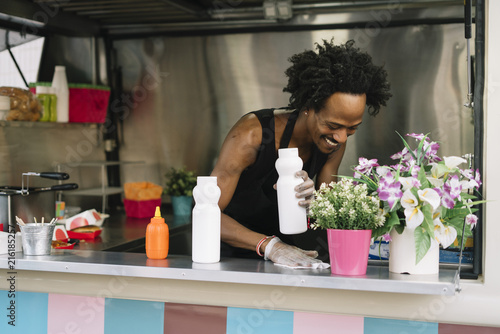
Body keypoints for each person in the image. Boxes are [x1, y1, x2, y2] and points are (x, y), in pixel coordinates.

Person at [210, 39, 392, 268]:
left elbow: (329, 215)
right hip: (227, 255)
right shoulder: (252, 134)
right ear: (308, 107)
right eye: (334, 125)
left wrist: (314, 202)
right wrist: (270, 245)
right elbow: (205, 213)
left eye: (352, 128)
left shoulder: (335, 140)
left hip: (284, 255)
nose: (342, 138)